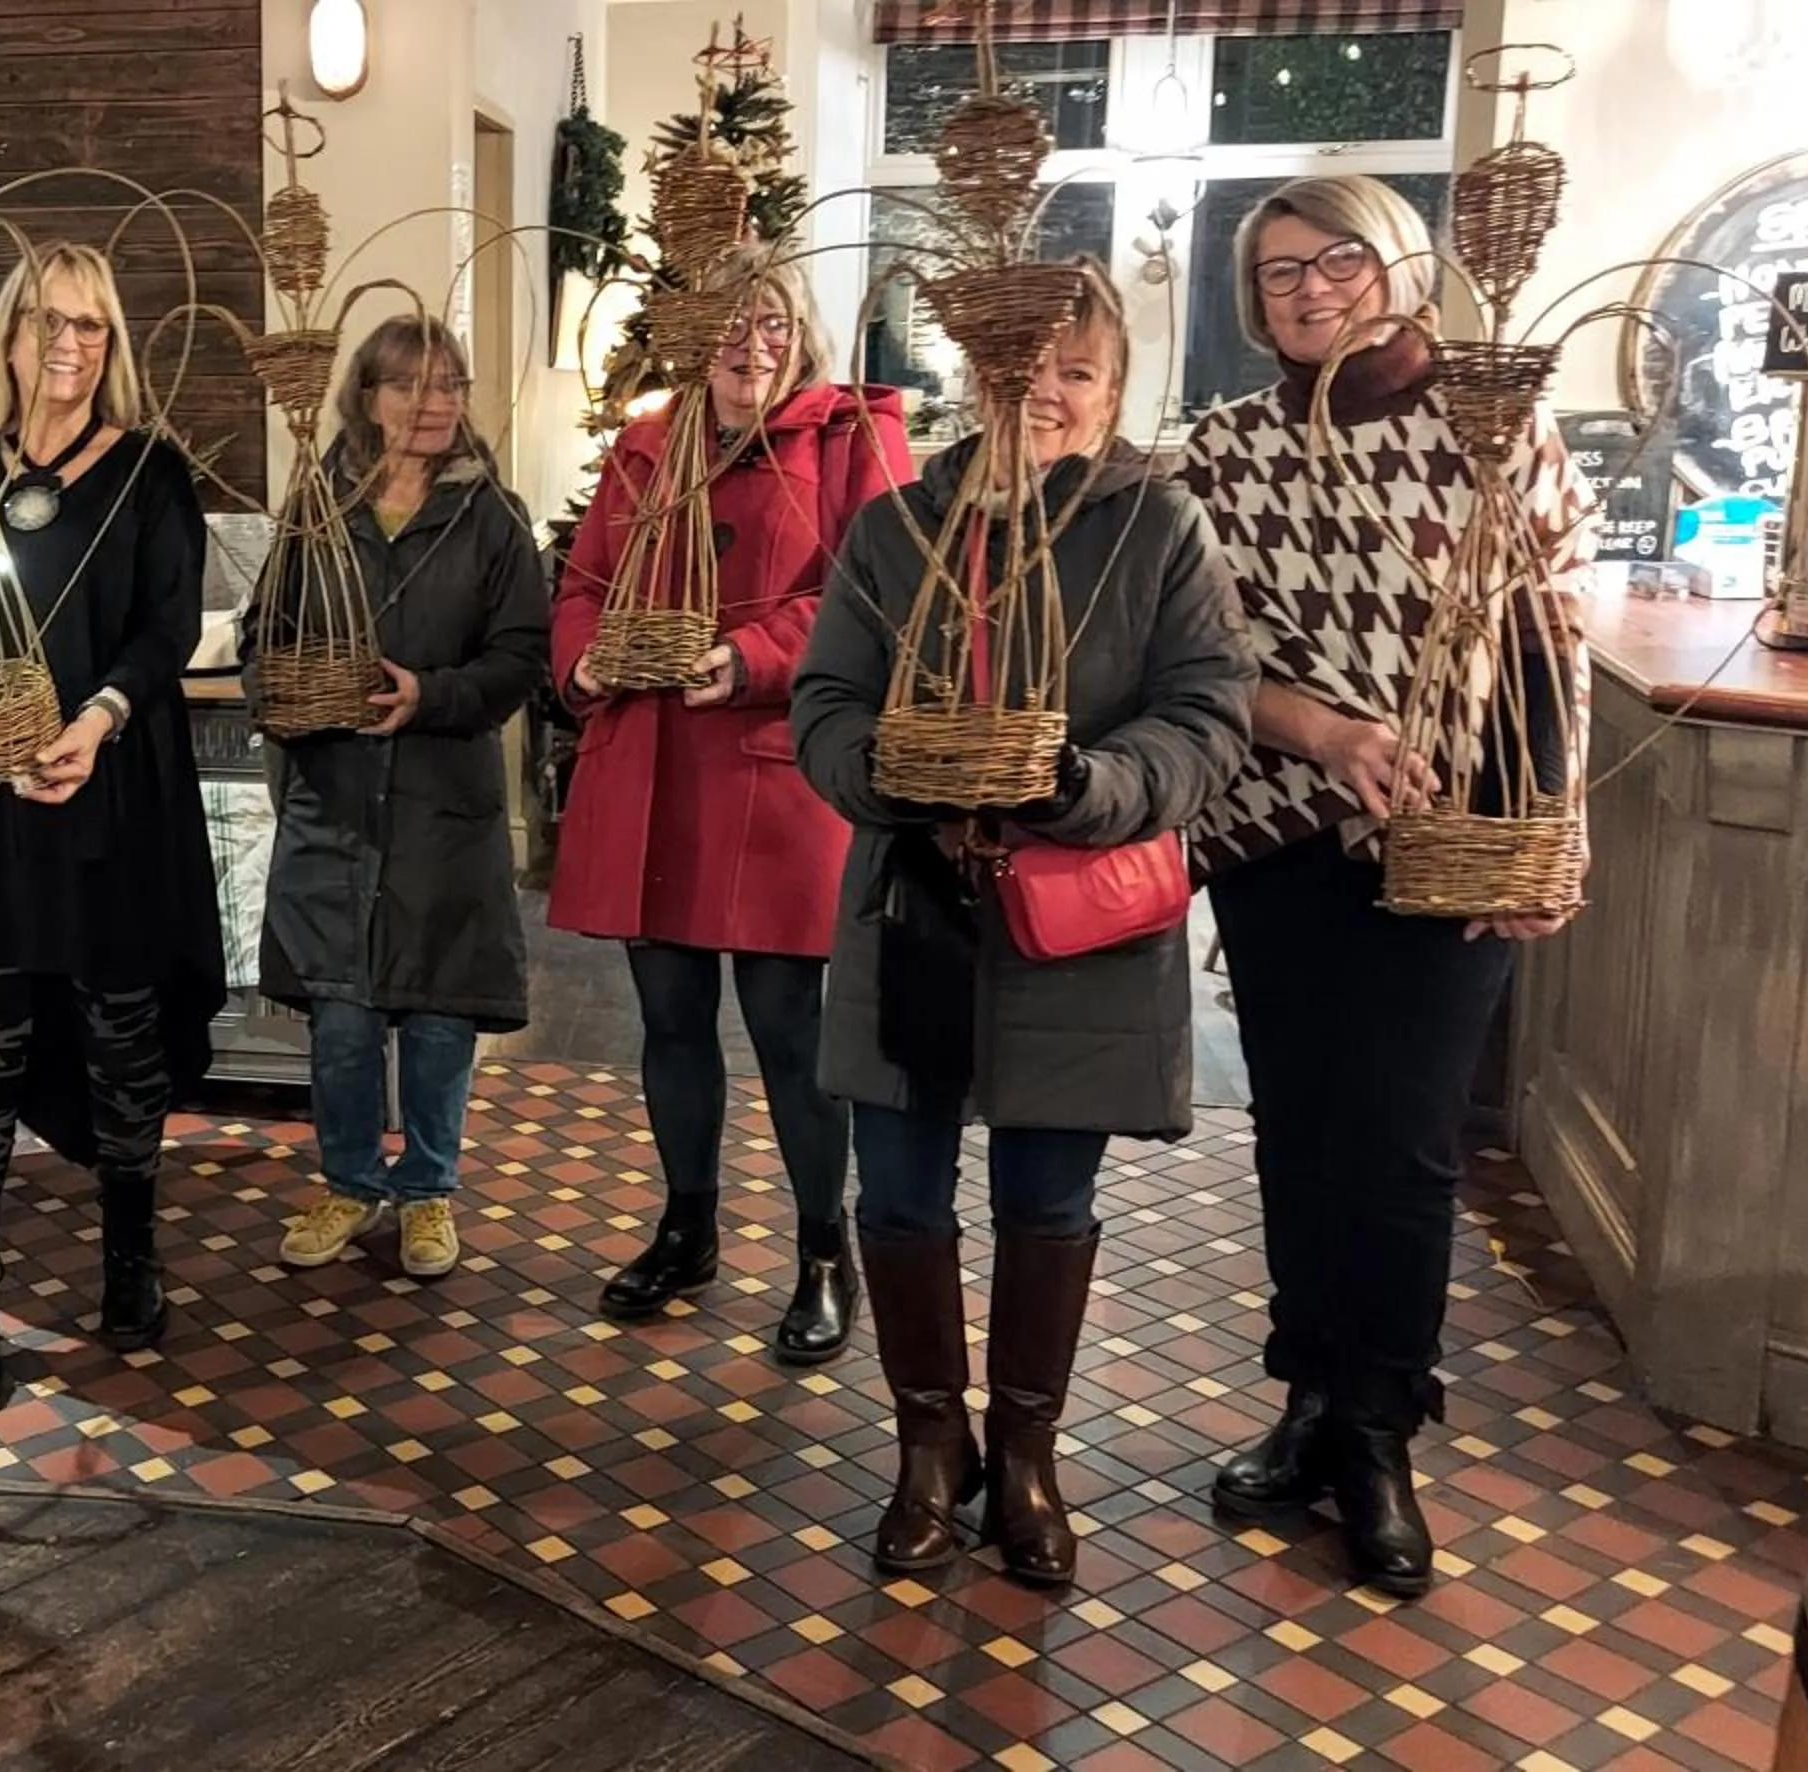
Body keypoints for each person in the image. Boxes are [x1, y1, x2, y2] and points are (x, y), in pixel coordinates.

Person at [794, 261, 1255, 1585]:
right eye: (1025, 367)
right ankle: (930, 1450)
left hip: (1078, 925)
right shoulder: (896, 528)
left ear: (1113, 390)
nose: (1046, 393)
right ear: (978, 373)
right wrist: (883, 772)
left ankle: (1029, 1459)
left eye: (1078, 371)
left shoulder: (1159, 527)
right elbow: (826, 701)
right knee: (897, 1192)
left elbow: (1208, 715)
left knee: (1048, 1198)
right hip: (913, 912)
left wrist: (1084, 786)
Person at [1174, 175, 1594, 1596]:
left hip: (1456, 830)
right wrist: (1326, 732)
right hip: (1279, 830)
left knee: (1405, 1144)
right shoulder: (1224, 450)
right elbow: (1206, 659)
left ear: (1403, 266)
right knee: (1298, 1127)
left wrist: (1542, 831)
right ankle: (1307, 1395)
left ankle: (1379, 1429)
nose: (1310, 288)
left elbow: (1548, 640)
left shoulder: (1492, 424)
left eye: (1340, 258)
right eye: (1280, 269)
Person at [549, 249, 913, 1363]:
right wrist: (584, 663)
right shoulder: (646, 446)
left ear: (801, 331)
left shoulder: (849, 438)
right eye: (728, 323)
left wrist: (755, 655)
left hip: (772, 772)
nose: (750, 346)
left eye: (771, 322)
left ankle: (822, 1252)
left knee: (788, 1028)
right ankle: (687, 1225)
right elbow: (585, 585)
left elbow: (879, 592)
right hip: (653, 764)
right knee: (668, 1018)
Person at [0, 241, 227, 1412]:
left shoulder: (150, 470)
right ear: (9, 333)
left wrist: (95, 721)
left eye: (92, 324)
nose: (71, 344)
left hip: (110, 787)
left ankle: (130, 1254)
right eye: (49, 319)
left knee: (122, 1034)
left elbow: (164, 628)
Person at [259, 317, 549, 1280]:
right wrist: (283, 698)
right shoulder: (318, 506)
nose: (434, 404)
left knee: (437, 1017)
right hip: (336, 802)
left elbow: (522, 656)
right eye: (409, 385)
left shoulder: (492, 517)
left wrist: (432, 695)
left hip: (441, 806)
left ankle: (427, 1190)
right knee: (341, 1021)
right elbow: (266, 633)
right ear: (366, 398)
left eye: (450, 385)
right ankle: (349, 1182)